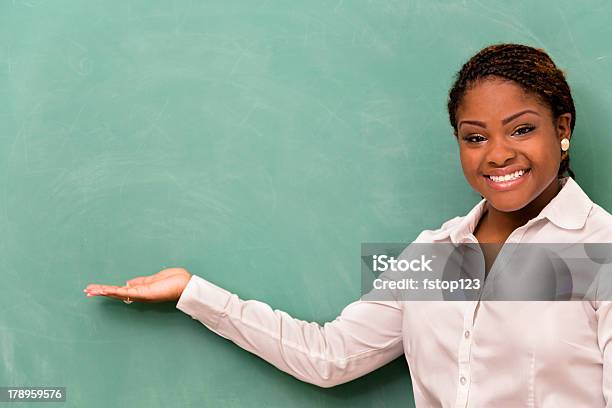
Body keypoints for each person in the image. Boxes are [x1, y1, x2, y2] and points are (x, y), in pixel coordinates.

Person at [83, 43, 612, 407]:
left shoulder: (601, 251)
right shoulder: (433, 255)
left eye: (521, 129)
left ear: (561, 129)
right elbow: (331, 356)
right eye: (475, 137)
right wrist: (193, 291)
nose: (497, 154)